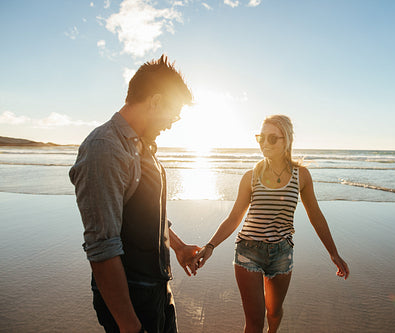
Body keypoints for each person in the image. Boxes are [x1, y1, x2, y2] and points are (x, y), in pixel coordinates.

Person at [69, 55, 199, 333]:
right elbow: (102, 247)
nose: (173, 123)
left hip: (157, 289)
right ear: (155, 101)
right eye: (174, 113)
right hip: (131, 300)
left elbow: (146, 213)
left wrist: (178, 247)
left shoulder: (142, 144)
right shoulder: (104, 148)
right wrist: (130, 326)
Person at [193, 115, 350, 333]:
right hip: (248, 251)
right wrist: (210, 246)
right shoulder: (251, 176)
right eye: (261, 138)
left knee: (274, 313)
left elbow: (315, 215)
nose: (265, 144)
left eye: (272, 139)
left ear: (286, 140)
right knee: (254, 322)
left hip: (282, 253)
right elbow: (234, 218)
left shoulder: (301, 176)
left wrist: (333, 253)